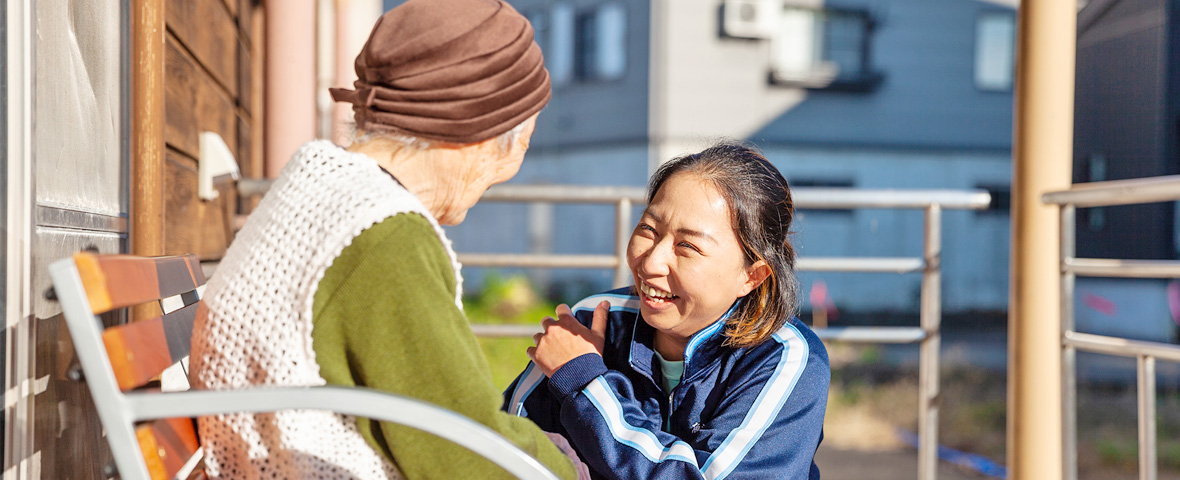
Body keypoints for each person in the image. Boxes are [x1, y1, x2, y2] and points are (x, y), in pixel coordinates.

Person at [189, 1, 579, 479]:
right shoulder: (383, 236)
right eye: (520, 143)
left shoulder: (318, 183)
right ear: (477, 135)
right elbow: (463, 454)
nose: (509, 171)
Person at [503, 143, 830, 479]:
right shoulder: (592, 320)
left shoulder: (785, 358)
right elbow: (505, 439)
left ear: (751, 276)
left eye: (687, 246)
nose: (651, 261)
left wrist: (585, 385)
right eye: (649, 230)